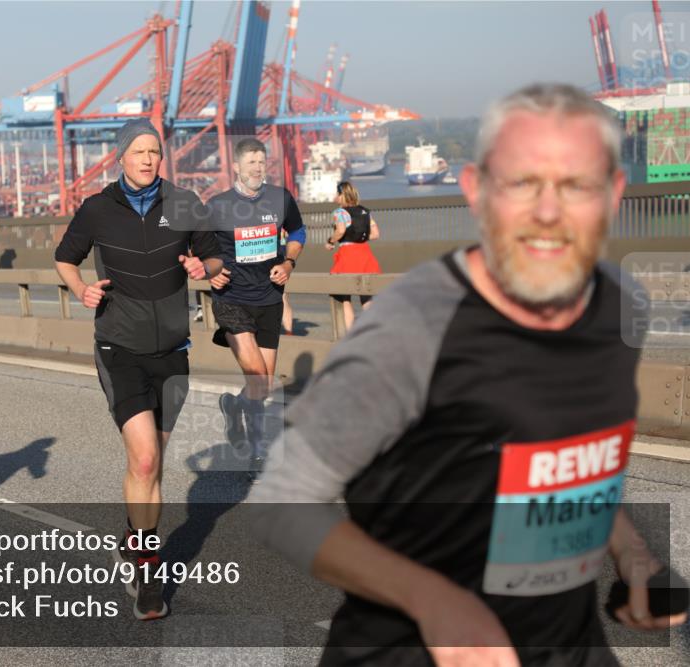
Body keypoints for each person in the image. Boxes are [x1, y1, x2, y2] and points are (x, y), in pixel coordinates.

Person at [249, 83, 687, 666]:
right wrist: (433, 601)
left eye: (577, 184)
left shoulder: (620, 304)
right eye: (522, 183)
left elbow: (568, 458)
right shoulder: (414, 327)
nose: (548, 212)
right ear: (477, 192)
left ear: (614, 193)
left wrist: (632, 555)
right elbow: (281, 502)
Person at [54, 118, 223, 620]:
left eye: (155, 151)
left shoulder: (185, 202)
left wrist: (203, 269)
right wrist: (80, 288)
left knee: (155, 464)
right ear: (120, 157)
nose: (148, 159)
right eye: (139, 152)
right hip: (119, 347)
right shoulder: (97, 209)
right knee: (145, 460)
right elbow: (65, 259)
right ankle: (148, 570)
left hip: (172, 351)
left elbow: (216, 261)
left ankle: (132, 539)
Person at [206, 138, 305, 467]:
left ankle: (235, 407)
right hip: (232, 299)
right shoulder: (218, 205)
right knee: (258, 378)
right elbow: (198, 247)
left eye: (261, 161)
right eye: (250, 162)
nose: (257, 167)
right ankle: (256, 454)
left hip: (269, 299)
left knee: (262, 386)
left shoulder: (280, 199)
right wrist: (211, 271)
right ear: (235, 167)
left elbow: (299, 232)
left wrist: (288, 263)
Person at [325, 181, 381, 331]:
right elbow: (375, 234)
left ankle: (350, 334)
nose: (335, 197)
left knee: (345, 298)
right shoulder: (366, 211)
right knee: (366, 297)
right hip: (365, 253)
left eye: (337, 194)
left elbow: (341, 231)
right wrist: (359, 237)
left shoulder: (339, 212)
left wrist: (330, 241)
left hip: (348, 255)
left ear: (342, 195)